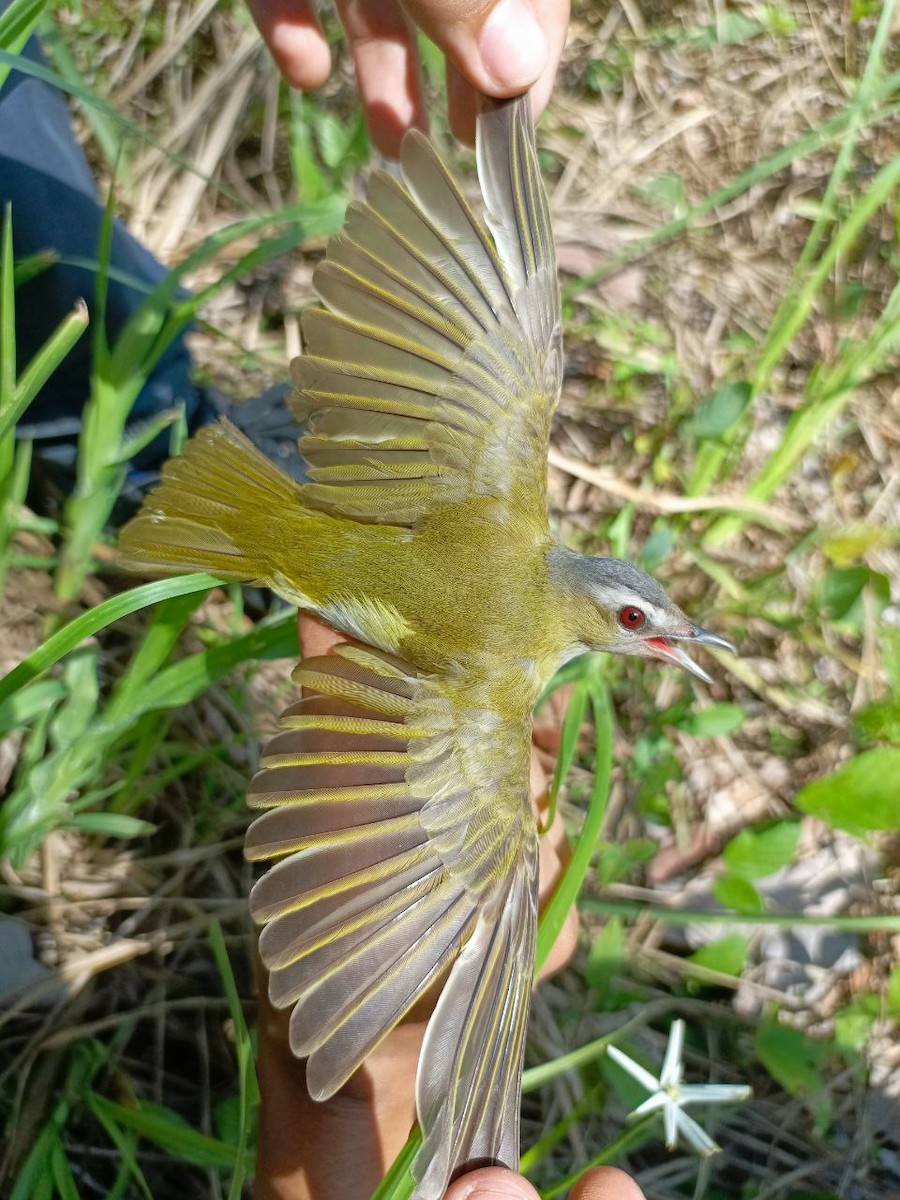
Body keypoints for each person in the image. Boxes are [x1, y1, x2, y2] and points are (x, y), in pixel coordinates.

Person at [6, 0, 644, 1194]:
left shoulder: (513, 486)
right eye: (637, 625)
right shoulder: (503, 701)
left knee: (518, 374)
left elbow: (502, 333)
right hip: (295, 551)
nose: (645, 641)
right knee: (506, 878)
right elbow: (453, 909)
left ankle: (155, 461)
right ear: (596, 615)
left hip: (305, 522)